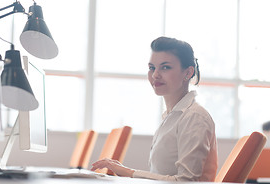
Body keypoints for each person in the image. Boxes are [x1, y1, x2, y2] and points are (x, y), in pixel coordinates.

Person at [91, 36, 218, 181]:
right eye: (152, 68)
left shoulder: (194, 117)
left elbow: (186, 181)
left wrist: (129, 172)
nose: (155, 75)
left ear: (188, 73)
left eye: (165, 67)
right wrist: (126, 172)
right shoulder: (172, 116)